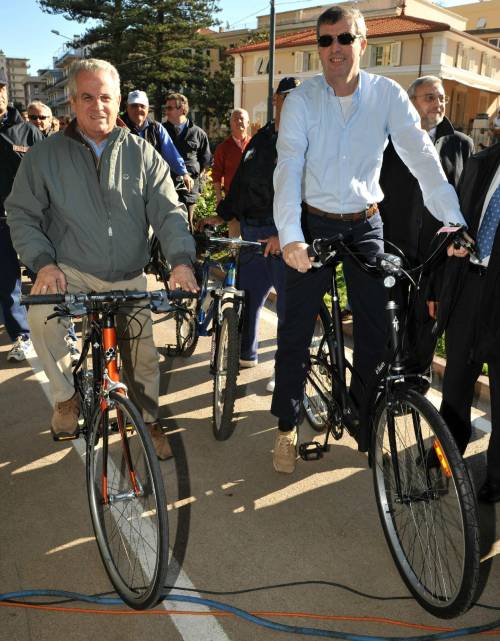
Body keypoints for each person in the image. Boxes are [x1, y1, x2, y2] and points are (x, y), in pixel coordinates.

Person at [271, 5, 467, 474]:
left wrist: (453, 221)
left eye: (345, 38)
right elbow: (289, 166)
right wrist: (292, 237)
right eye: (325, 40)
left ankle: (363, 417)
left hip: (365, 223)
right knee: (295, 330)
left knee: (378, 334)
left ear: (363, 43)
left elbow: (421, 158)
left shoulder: (387, 96)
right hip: (313, 222)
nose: (335, 48)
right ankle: (285, 424)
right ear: (318, 47)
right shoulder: (302, 100)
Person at [6, 58, 197, 460]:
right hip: (69, 270)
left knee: (143, 356)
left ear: (118, 101)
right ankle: (66, 397)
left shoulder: (143, 154)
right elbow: (22, 213)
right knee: (42, 317)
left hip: (127, 272)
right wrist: (43, 263)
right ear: (72, 103)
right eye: (88, 97)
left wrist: (181, 261)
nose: (98, 106)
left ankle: (145, 419)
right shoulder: (45, 156)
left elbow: (169, 212)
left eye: (106, 97)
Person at [199, 77, 300, 391]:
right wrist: (227, 214)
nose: (293, 102)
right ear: (276, 100)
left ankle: (285, 374)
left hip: (285, 233)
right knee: (249, 298)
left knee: (289, 309)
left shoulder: (307, 137)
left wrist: (287, 234)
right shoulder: (262, 138)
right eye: (287, 97)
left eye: (298, 97)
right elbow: (241, 182)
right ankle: (244, 355)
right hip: (254, 230)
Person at [379, 75, 474, 372]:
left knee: (427, 323)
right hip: (394, 246)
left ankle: (415, 383)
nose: (438, 103)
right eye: (429, 97)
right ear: (410, 103)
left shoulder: (461, 145)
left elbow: (464, 198)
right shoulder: (389, 142)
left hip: (435, 255)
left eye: (441, 97)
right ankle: (386, 385)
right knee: (390, 321)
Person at [438, 143, 500, 503]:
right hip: (468, 285)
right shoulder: (481, 162)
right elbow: (454, 219)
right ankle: (446, 455)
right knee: (456, 382)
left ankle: (496, 477)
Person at [0, 68, 42, 362]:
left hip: (32, 219)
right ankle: (21, 336)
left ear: (4, 92)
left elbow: (50, 173)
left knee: (46, 275)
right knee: (7, 282)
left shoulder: (28, 131)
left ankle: (63, 332)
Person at [121, 89, 193, 195]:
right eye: (134, 106)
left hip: (151, 184)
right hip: (124, 185)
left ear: (148, 108)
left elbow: (171, 154)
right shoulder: (118, 126)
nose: (138, 109)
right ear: (127, 108)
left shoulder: (156, 128)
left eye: (142, 106)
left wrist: (184, 173)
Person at [163, 92, 212, 231]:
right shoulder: (160, 131)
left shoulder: (198, 133)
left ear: (182, 110)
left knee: (186, 226)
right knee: (165, 226)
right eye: (166, 108)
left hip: (188, 191)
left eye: (170, 108)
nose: (166, 111)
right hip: (165, 187)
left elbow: (206, 162)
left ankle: (188, 253)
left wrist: (199, 186)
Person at [212, 108, 250, 237]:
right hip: (233, 200)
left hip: (253, 200)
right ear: (230, 124)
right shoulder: (223, 148)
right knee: (235, 240)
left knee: (253, 239)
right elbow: (216, 175)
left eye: (242, 118)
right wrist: (219, 199)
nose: (239, 121)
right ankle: (234, 257)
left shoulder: (255, 144)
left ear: (248, 123)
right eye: (235, 119)